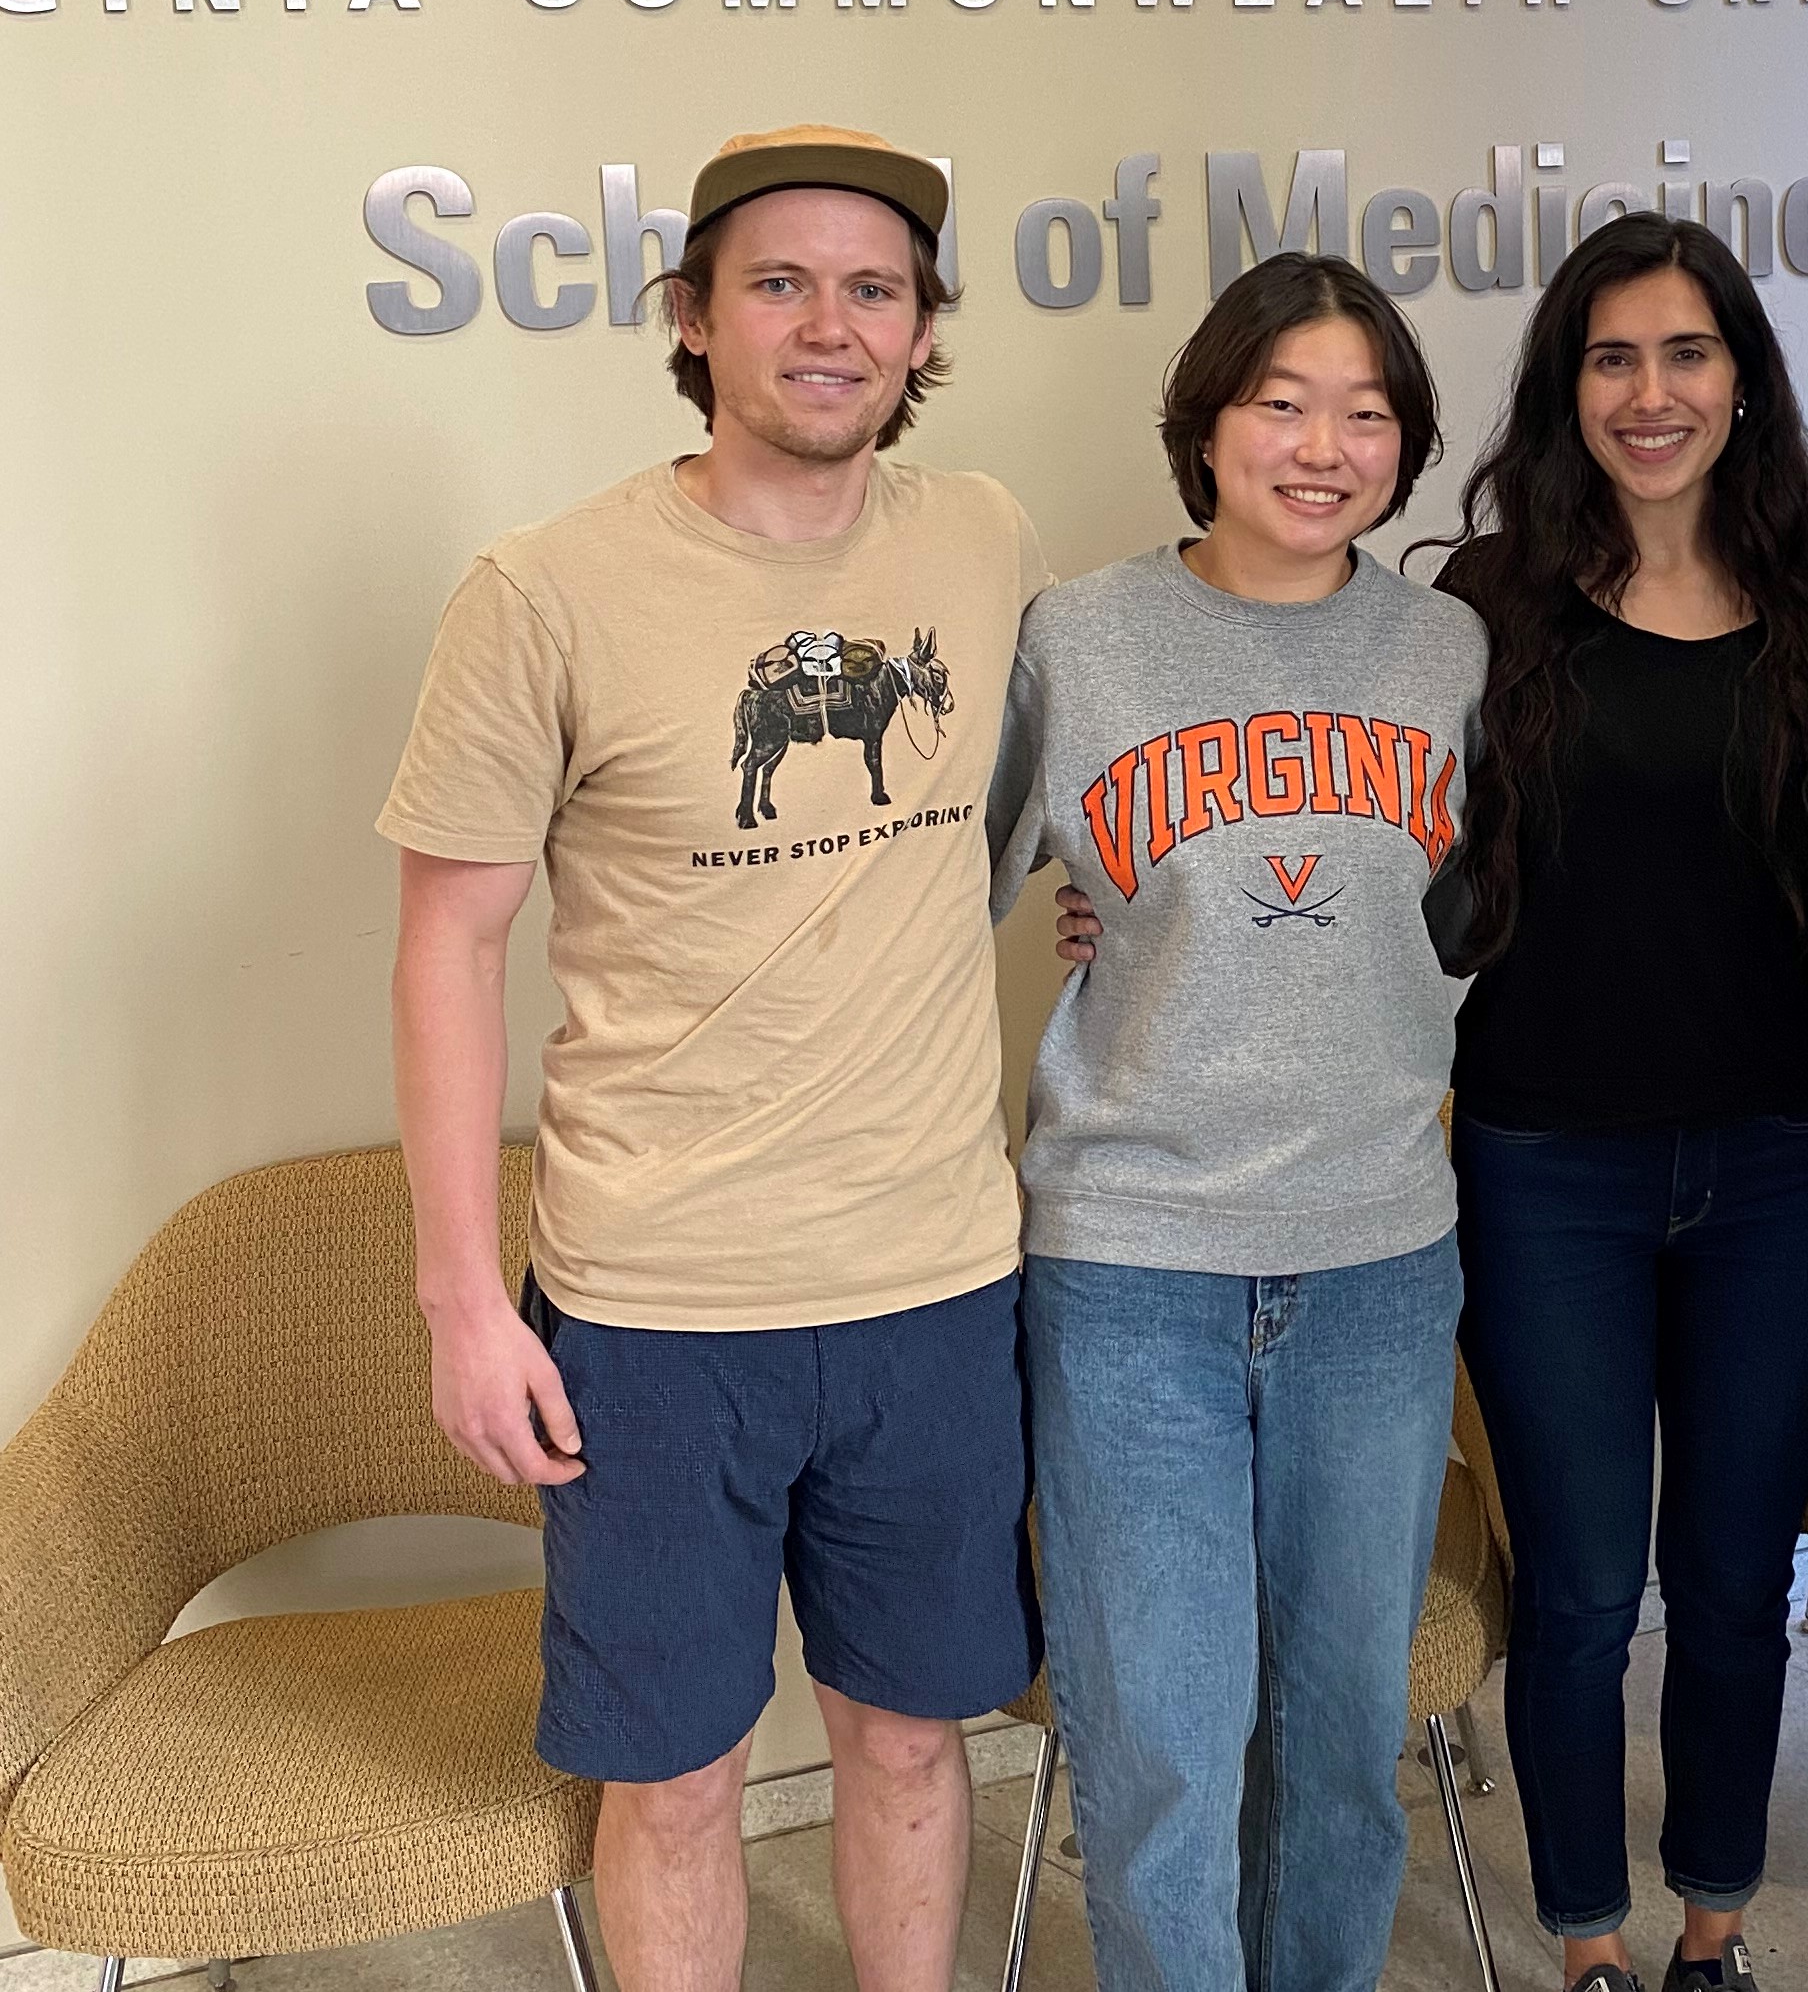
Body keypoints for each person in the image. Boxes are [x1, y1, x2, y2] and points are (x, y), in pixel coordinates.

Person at [381, 126, 1048, 1992]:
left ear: (922, 335)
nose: (828, 327)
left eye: (873, 291)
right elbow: (449, 945)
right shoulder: (545, 590)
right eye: (778, 284)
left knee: (915, 1742)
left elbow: (1014, 810)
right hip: (656, 1312)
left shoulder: (981, 539)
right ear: (691, 318)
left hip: (934, 1283)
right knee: (672, 1781)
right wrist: (460, 1306)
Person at [986, 252, 1487, 1992]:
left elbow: (1475, 913)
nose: (1322, 445)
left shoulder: (1444, 651)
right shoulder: (1078, 639)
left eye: (1367, 412)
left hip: (1376, 1263)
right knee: (1165, 1754)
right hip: (1133, 1268)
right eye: (1281, 401)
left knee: (1345, 1748)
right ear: (1205, 421)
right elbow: (939, 887)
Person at [1424, 210, 1808, 1992]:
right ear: (1566, 389)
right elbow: (1356, 824)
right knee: (1589, 1585)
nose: (1653, 390)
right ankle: (1588, 1939)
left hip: (1776, 1159)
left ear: (1744, 379)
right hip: (1545, 1164)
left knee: (1737, 1580)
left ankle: (1713, 1926)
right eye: (1613, 357)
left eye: (1689, 353)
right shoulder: (1483, 608)